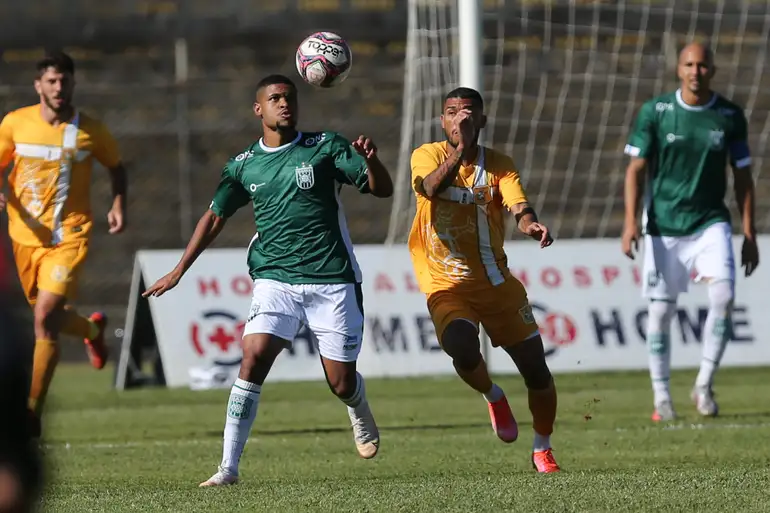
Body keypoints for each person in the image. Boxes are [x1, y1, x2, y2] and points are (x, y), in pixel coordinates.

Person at [143, 74, 393, 486]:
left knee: (341, 381)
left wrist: (373, 161)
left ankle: (358, 406)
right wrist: (178, 270)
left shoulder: (326, 147)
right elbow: (215, 216)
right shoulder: (243, 165)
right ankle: (228, 468)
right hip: (274, 278)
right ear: (258, 109)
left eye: (290, 98)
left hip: (331, 279)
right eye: (275, 98)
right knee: (253, 356)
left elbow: (379, 189)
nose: (284, 104)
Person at [408, 87, 560, 473]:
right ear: (443, 121)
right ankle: (493, 395)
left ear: (482, 120)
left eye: (468, 112)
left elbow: (519, 206)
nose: (460, 118)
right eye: (452, 112)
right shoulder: (426, 155)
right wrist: (459, 150)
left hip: (495, 283)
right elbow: (429, 188)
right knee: (460, 346)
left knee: (536, 371)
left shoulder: (499, 165)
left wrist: (530, 225)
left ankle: (542, 447)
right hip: (445, 282)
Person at [622, 42, 759, 421]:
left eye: (702, 65)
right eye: (689, 64)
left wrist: (749, 233)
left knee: (724, 295)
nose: (696, 71)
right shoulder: (656, 112)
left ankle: (703, 383)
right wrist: (631, 221)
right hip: (663, 225)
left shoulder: (729, 115)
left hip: (710, 221)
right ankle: (661, 396)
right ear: (678, 69)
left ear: (712, 70)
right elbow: (635, 170)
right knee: (661, 312)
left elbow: (743, 177)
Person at [0, 51, 128, 436]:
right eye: (51, 81)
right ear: (38, 85)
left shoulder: (90, 130)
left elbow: (116, 167)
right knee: (45, 314)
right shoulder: (15, 123)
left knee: (44, 318)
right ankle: (91, 331)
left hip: (69, 237)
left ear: (73, 84)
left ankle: (31, 412)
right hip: (24, 238)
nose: (59, 88)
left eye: (65, 81)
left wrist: (118, 203)